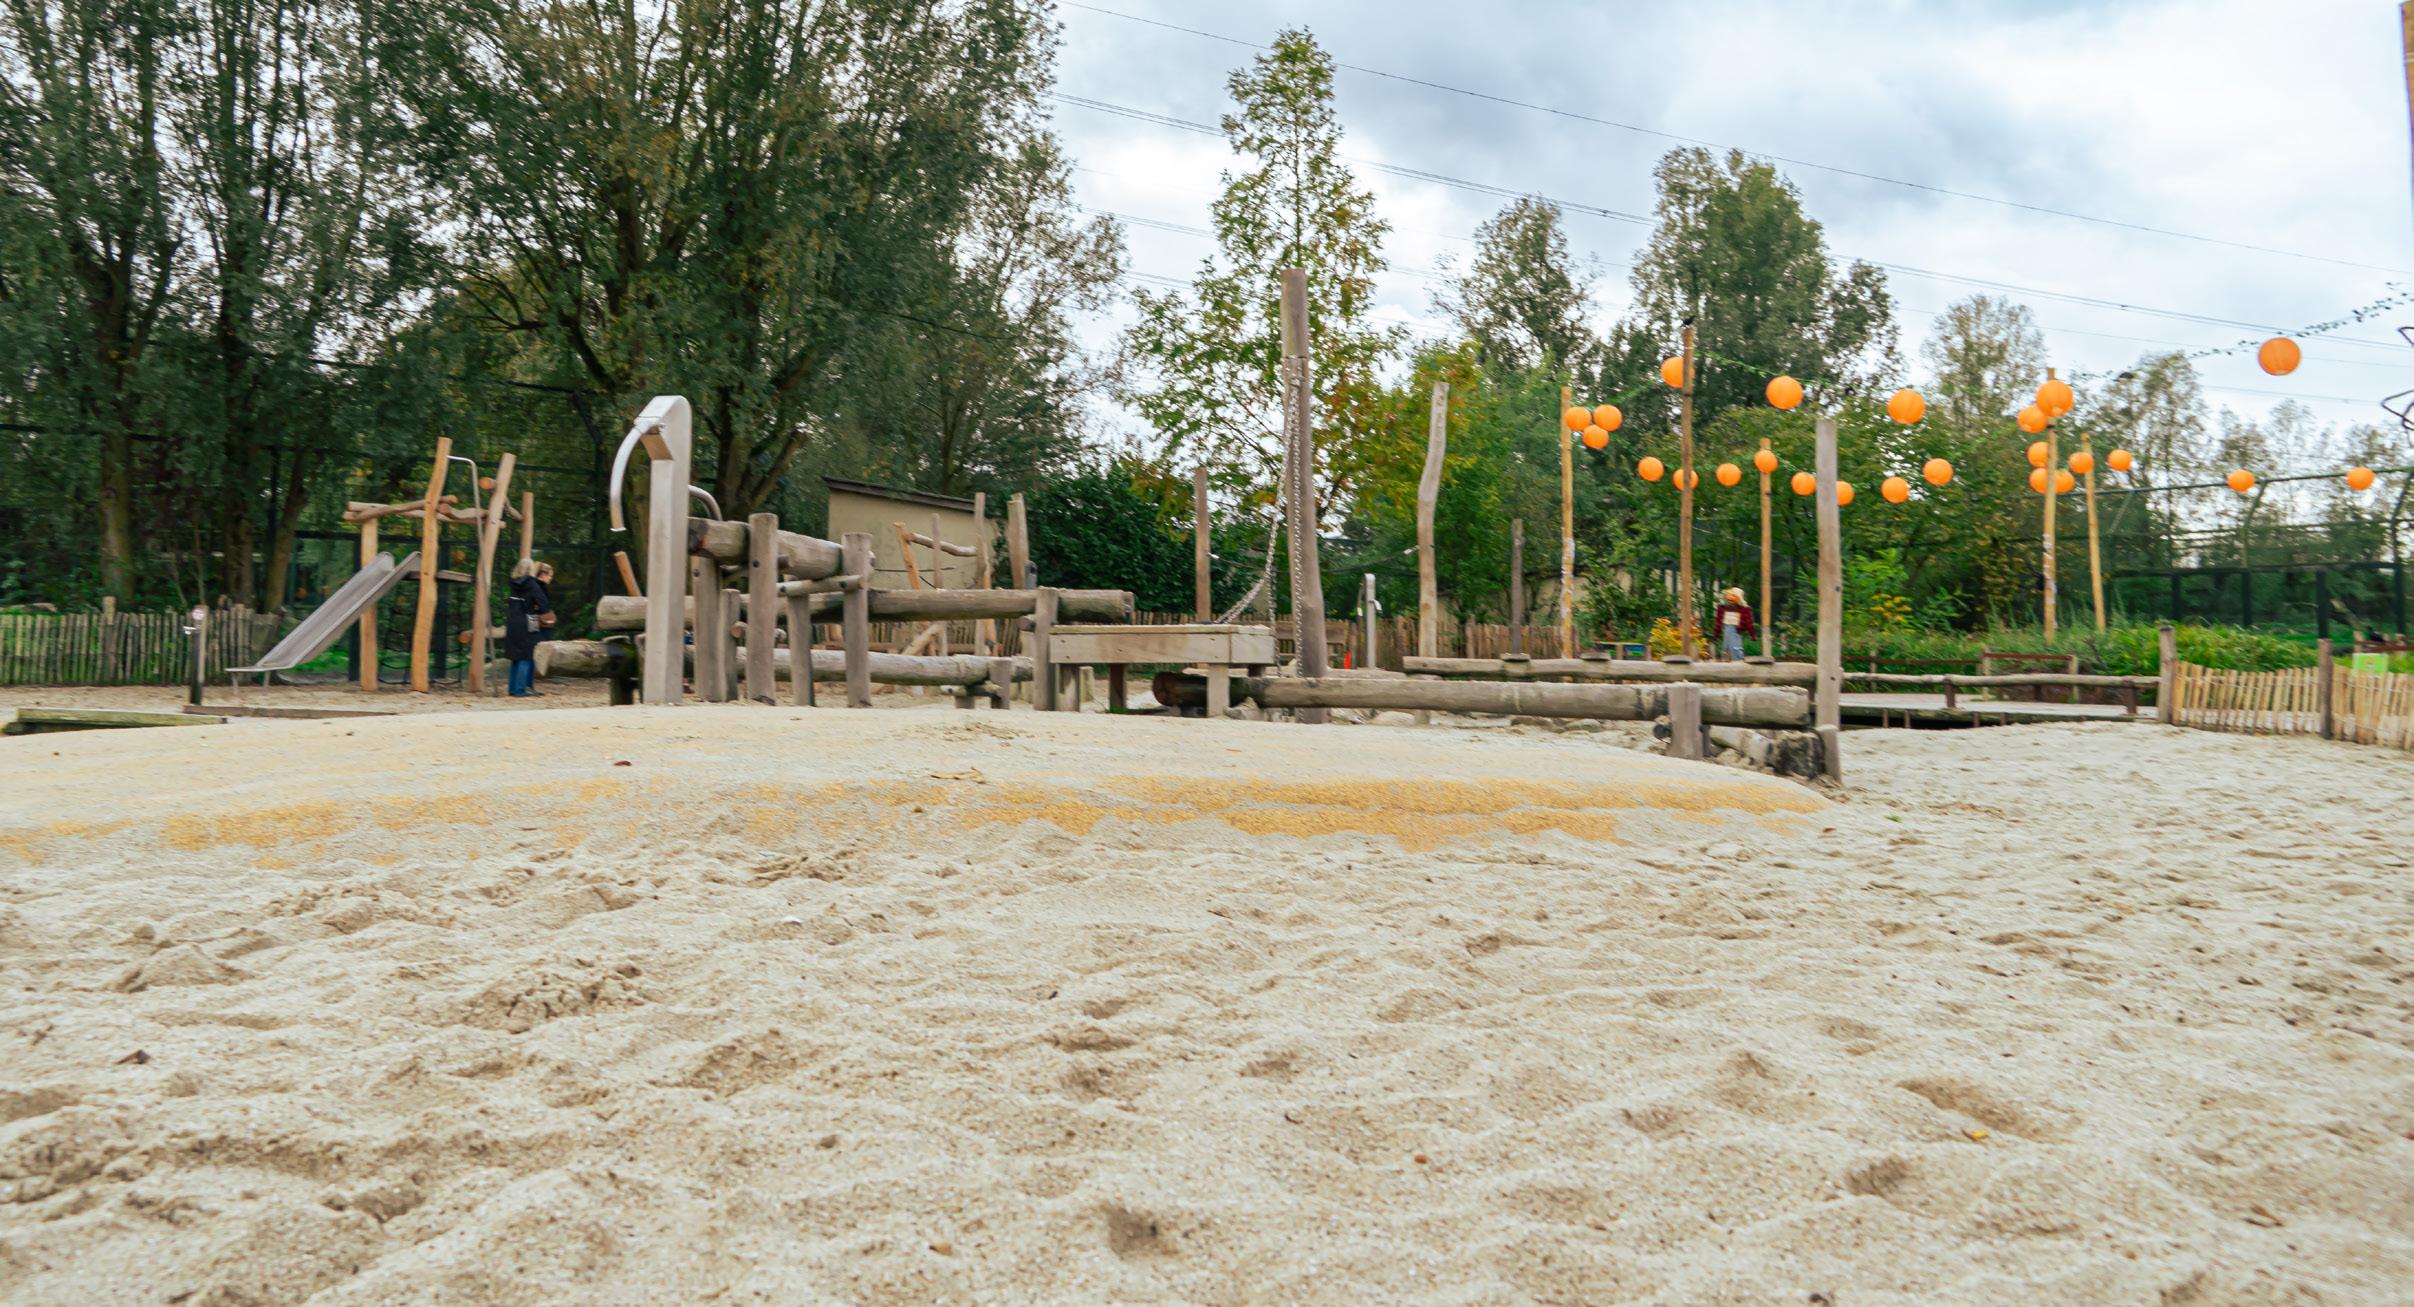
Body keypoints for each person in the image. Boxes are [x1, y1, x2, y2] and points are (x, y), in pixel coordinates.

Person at [504, 559, 556, 696]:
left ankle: (513, 689)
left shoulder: (513, 583)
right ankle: (522, 689)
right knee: (527, 655)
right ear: (530, 569)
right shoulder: (532, 584)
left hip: (512, 621)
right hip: (529, 620)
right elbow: (544, 605)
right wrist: (536, 607)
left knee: (516, 656)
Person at [1712, 586, 1756, 661]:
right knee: (1726, 650)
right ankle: (1726, 660)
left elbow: (1749, 623)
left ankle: (1737, 660)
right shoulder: (1723, 608)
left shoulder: (1744, 609)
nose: (1729, 597)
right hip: (1726, 633)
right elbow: (1718, 622)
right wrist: (1715, 635)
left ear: (1738, 597)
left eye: (1733, 595)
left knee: (1736, 651)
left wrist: (1752, 635)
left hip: (1736, 633)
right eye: (1729, 595)